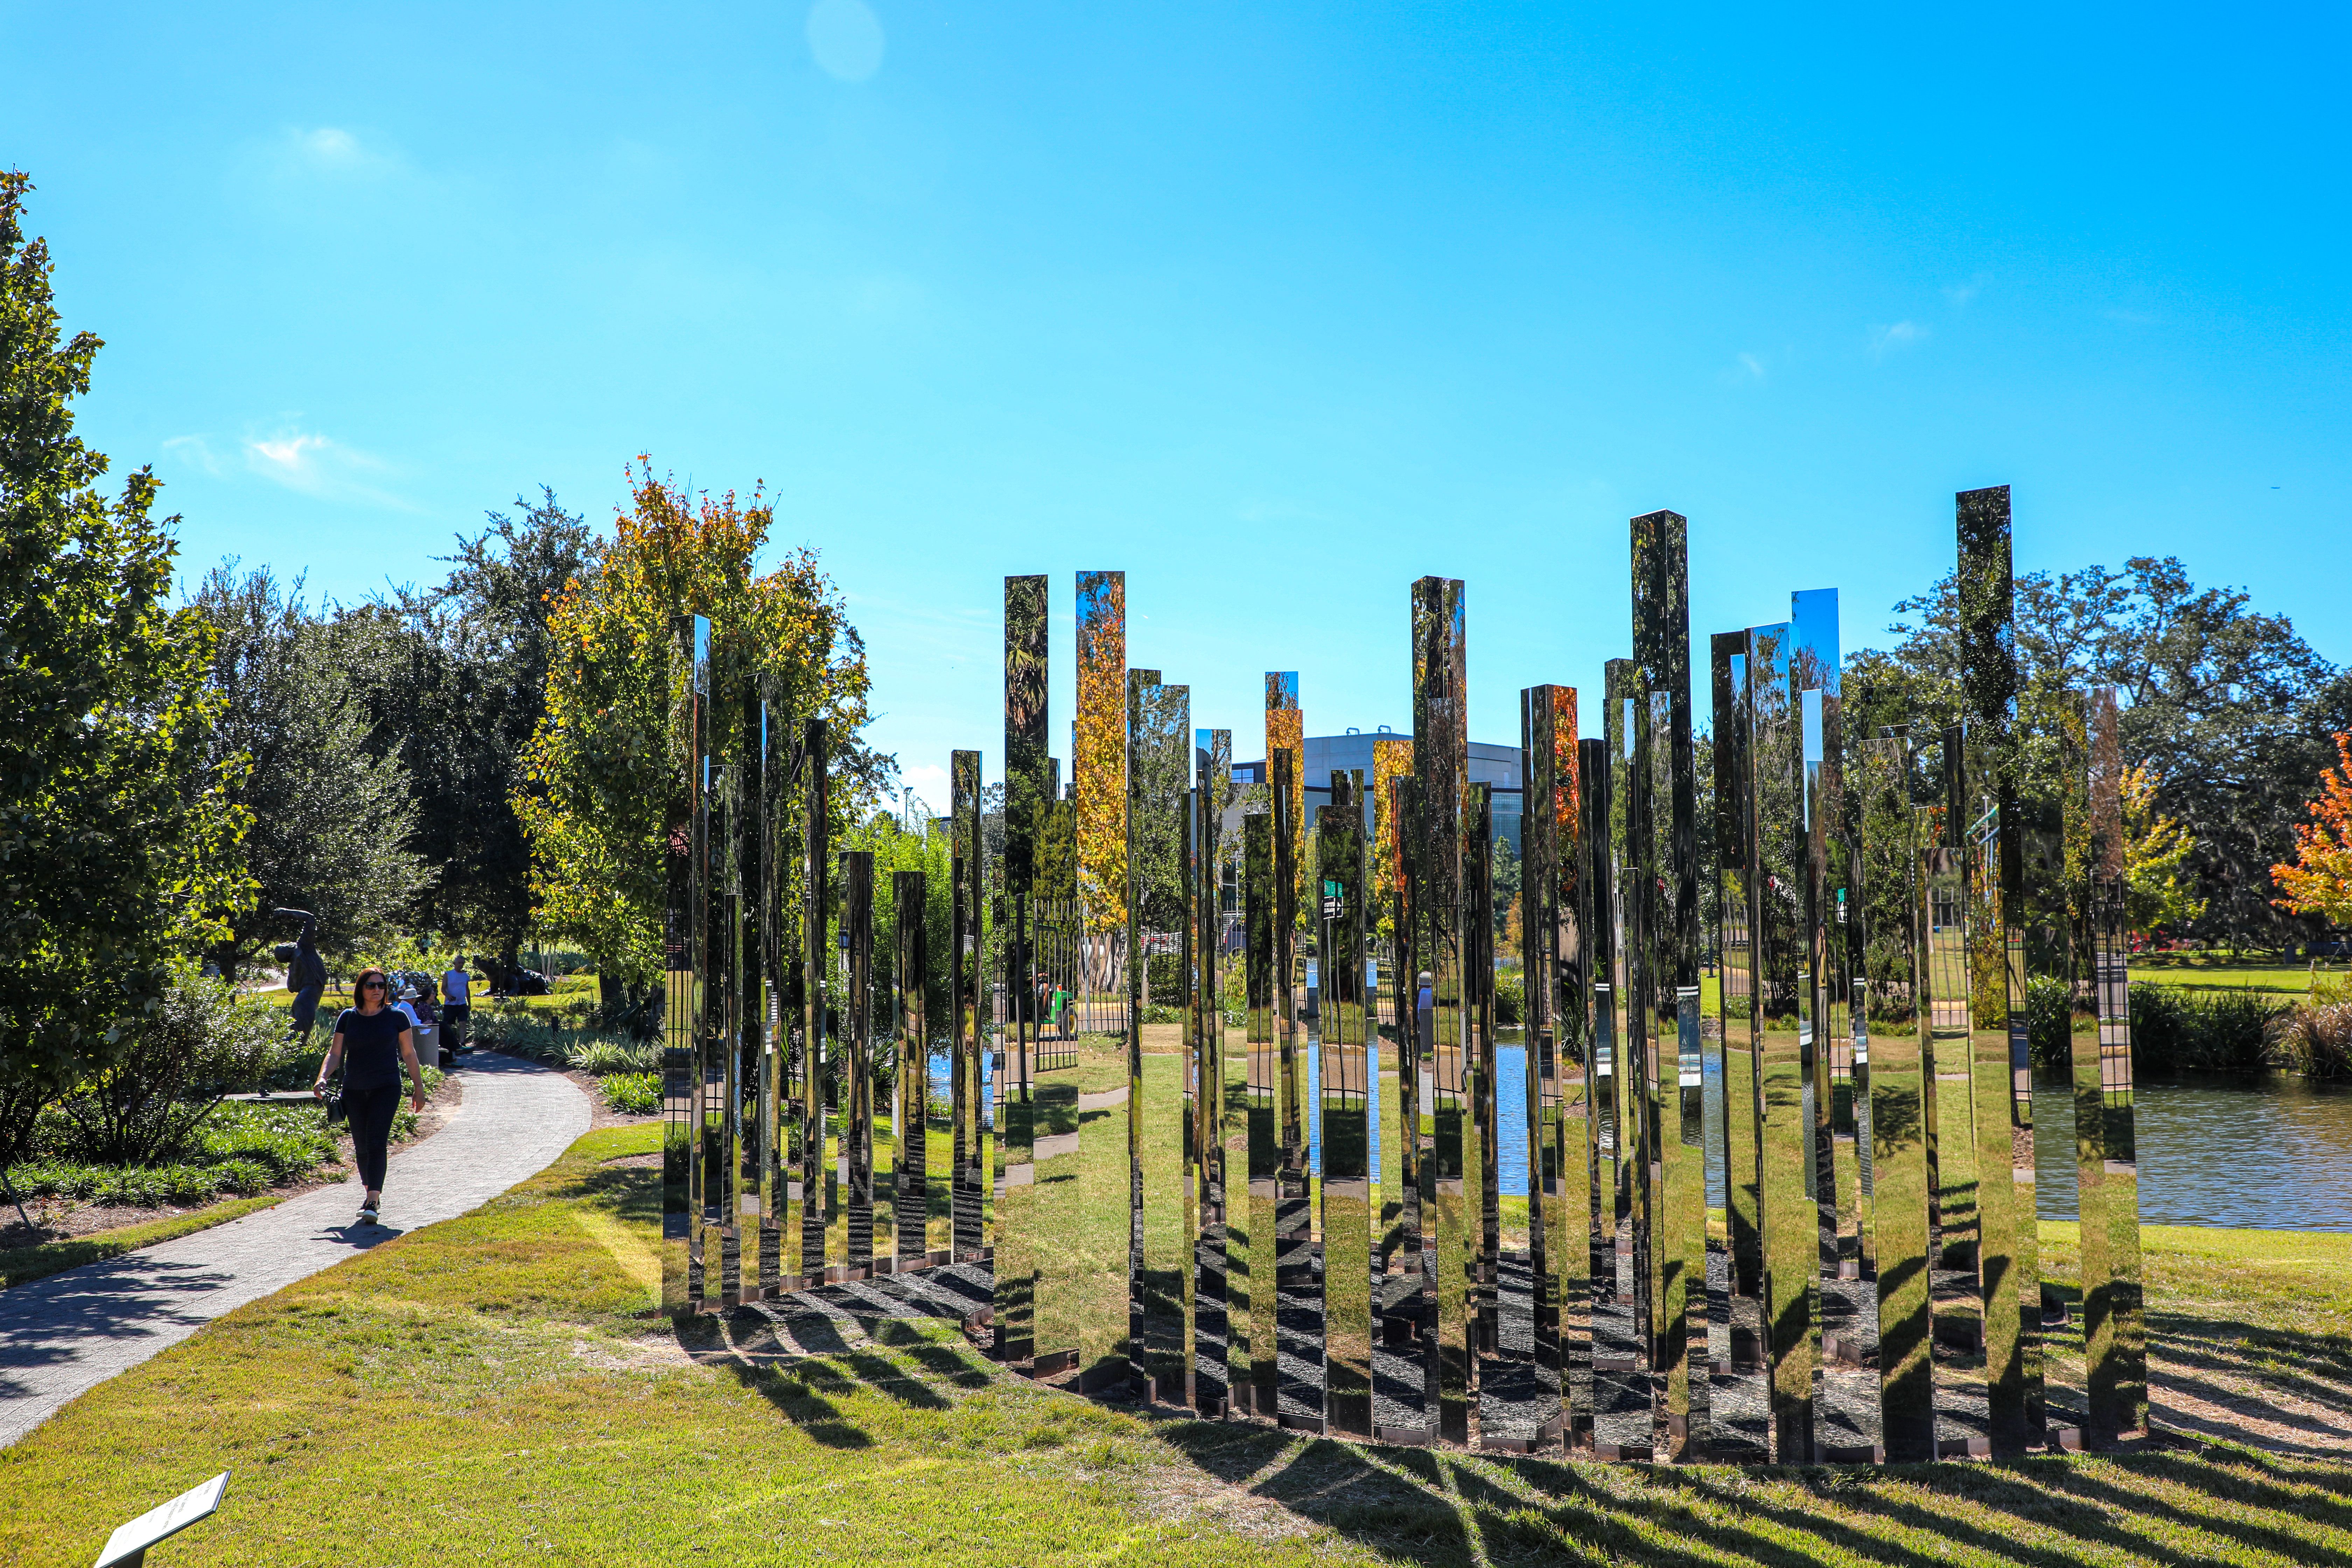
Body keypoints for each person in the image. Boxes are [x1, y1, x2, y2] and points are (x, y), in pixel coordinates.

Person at [314, 967, 428, 1225]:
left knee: (376, 1142)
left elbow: (409, 1053)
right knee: (361, 1146)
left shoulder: (397, 1017)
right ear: (361, 989)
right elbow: (335, 1053)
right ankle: (370, 1195)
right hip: (353, 1088)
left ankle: (373, 1201)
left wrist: (419, 1088)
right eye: (371, 986)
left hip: (386, 1087)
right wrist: (323, 1077)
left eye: (381, 985)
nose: (377, 990)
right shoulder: (348, 1018)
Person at [442, 960, 472, 1052]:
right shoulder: (448, 974)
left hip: (462, 1004)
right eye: (459, 963)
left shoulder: (466, 976)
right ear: (455, 964)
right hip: (450, 1005)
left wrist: (469, 1003)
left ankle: (462, 1042)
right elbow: (443, 989)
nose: (461, 965)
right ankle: (447, 1043)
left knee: (463, 1023)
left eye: (462, 963)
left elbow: (467, 990)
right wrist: (448, 996)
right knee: (448, 1025)